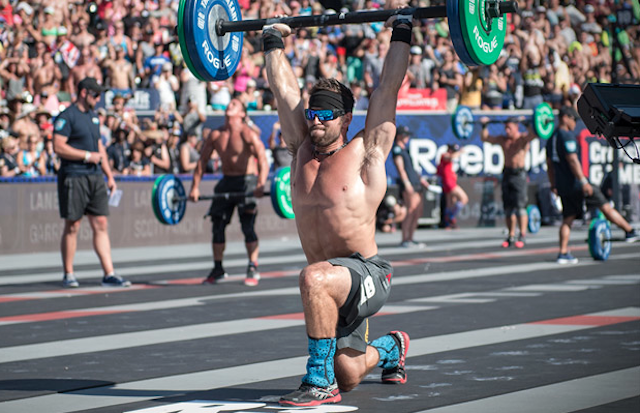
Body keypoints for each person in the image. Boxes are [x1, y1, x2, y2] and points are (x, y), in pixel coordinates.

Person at [262, 4, 411, 406]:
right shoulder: (301, 152)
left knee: (313, 277)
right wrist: (273, 40)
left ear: (345, 119)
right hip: (333, 285)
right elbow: (285, 91)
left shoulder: (368, 151)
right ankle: (391, 348)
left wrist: (402, 28)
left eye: (326, 115)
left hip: (366, 274)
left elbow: (387, 90)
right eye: (312, 114)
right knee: (350, 375)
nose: (316, 121)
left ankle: (317, 382)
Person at [52, 77, 131, 288]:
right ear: (84, 93)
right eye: (96, 95)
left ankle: (109, 273)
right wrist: (86, 156)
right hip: (74, 175)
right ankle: (68, 273)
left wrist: (109, 175)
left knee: (101, 223)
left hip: (95, 176)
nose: (98, 99)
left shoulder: (94, 118)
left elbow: (99, 148)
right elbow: (58, 147)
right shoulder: (67, 117)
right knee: (73, 225)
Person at [189, 98, 268, 287]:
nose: (229, 105)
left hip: (247, 181)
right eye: (229, 103)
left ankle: (252, 266)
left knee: (247, 226)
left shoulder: (247, 134)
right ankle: (218, 269)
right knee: (217, 225)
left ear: (242, 114)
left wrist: (260, 184)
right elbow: (201, 161)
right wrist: (194, 187)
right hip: (226, 181)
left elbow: (263, 159)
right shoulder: (216, 135)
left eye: (235, 104)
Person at [545, 106, 638, 264]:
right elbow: (573, 160)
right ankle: (629, 231)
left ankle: (563, 253)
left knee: (567, 218)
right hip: (576, 184)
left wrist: (554, 185)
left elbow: (549, 165)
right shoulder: (566, 135)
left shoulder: (551, 138)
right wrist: (583, 181)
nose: (574, 123)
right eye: (573, 119)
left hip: (563, 186)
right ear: (565, 118)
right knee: (605, 206)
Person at [480, 116, 535, 248]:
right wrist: (484, 126)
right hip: (507, 173)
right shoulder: (502, 139)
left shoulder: (522, 139)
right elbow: (485, 138)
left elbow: (534, 135)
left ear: (516, 127)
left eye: (509, 127)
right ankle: (511, 235)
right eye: (505, 127)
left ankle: (522, 235)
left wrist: (527, 124)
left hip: (519, 175)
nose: (506, 130)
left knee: (520, 207)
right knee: (508, 208)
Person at [392, 125, 429, 247]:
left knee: (418, 211)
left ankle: (411, 238)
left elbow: (412, 168)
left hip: (415, 182)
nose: (407, 138)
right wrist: (407, 183)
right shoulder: (397, 149)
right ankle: (405, 239)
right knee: (411, 210)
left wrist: (421, 179)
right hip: (409, 184)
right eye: (405, 135)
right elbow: (401, 169)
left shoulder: (405, 150)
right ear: (399, 136)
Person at [436, 144, 468, 229]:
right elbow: (451, 157)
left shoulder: (447, 159)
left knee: (451, 203)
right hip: (449, 183)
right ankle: (450, 216)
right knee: (464, 198)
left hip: (449, 182)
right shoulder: (445, 155)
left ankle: (448, 223)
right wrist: (460, 152)